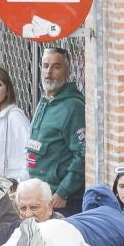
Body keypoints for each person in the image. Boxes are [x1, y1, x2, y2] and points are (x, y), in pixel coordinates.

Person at [25, 46, 86, 213]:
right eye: (45, 66)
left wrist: (63, 192)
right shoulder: (46, 99)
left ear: (68, 73)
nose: (49, 72)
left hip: (61, 201)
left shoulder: (73, 106)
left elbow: (82, 154)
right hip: (41, 195)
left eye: (56, 67)